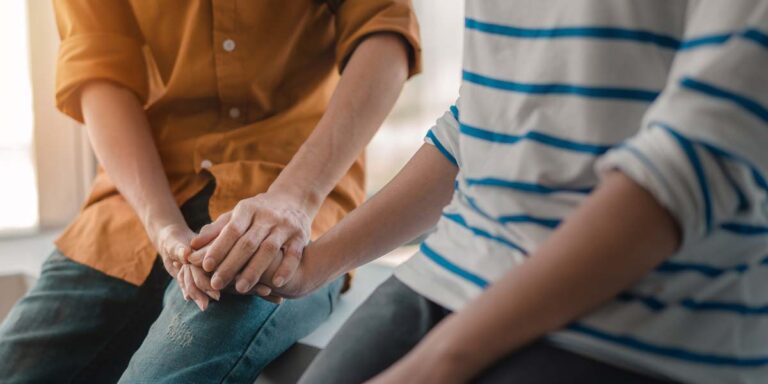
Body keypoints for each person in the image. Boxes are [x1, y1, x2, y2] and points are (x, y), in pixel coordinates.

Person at [198, 1, 768, 383]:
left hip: (643, 318)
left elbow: (698, 161)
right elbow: (481, 124)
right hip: (449, 272)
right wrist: (311, 264)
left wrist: (436, 367)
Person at [0, 1, 420, 383]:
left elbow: (384, 29)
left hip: (287, 198)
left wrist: (295, 197)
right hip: (133, 205)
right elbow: (98, 71)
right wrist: (162, 226)